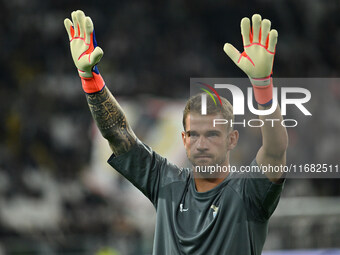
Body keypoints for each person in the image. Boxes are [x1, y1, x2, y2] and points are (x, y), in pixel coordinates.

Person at [64, 10, 288, 255]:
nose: (201, 143)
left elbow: (275, 151)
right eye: (193, 134)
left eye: (212, 135)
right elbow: (118, 133)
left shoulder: (248, 193)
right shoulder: (165, 182)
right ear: (184, 139)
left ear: (231, 139)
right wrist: (89, 78)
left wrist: (263, 86)